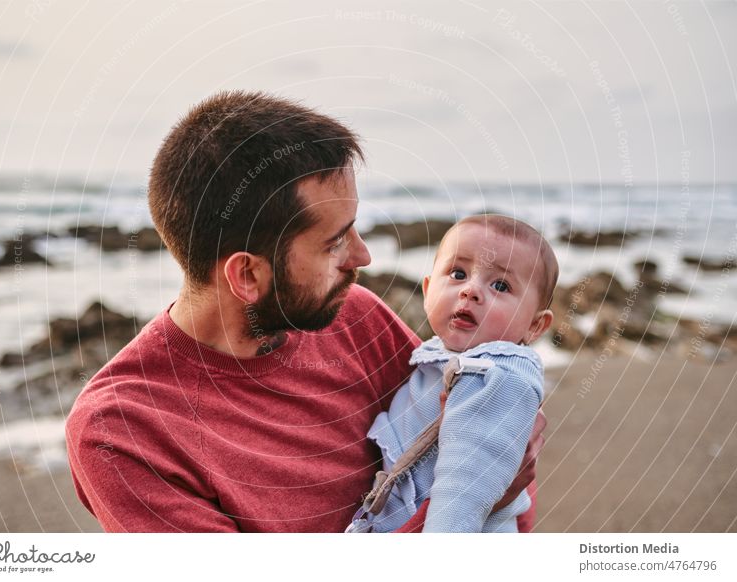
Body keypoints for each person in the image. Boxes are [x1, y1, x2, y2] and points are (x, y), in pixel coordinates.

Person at [65, 91, 545, 532]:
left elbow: (481, 443)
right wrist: (479, 502)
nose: (362, 257)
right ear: (247, 276)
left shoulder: (356, 317)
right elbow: (483, 491)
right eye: (335, 242)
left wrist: (495, 492)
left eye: (355, 229)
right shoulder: (122, 432)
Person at [365, 215, 557, 532]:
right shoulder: (447, 356)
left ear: (535, 325)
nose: (470, 291)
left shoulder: (497, 375)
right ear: (427, 290)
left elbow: (463, 493)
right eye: (458, 273)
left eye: (500, 285)